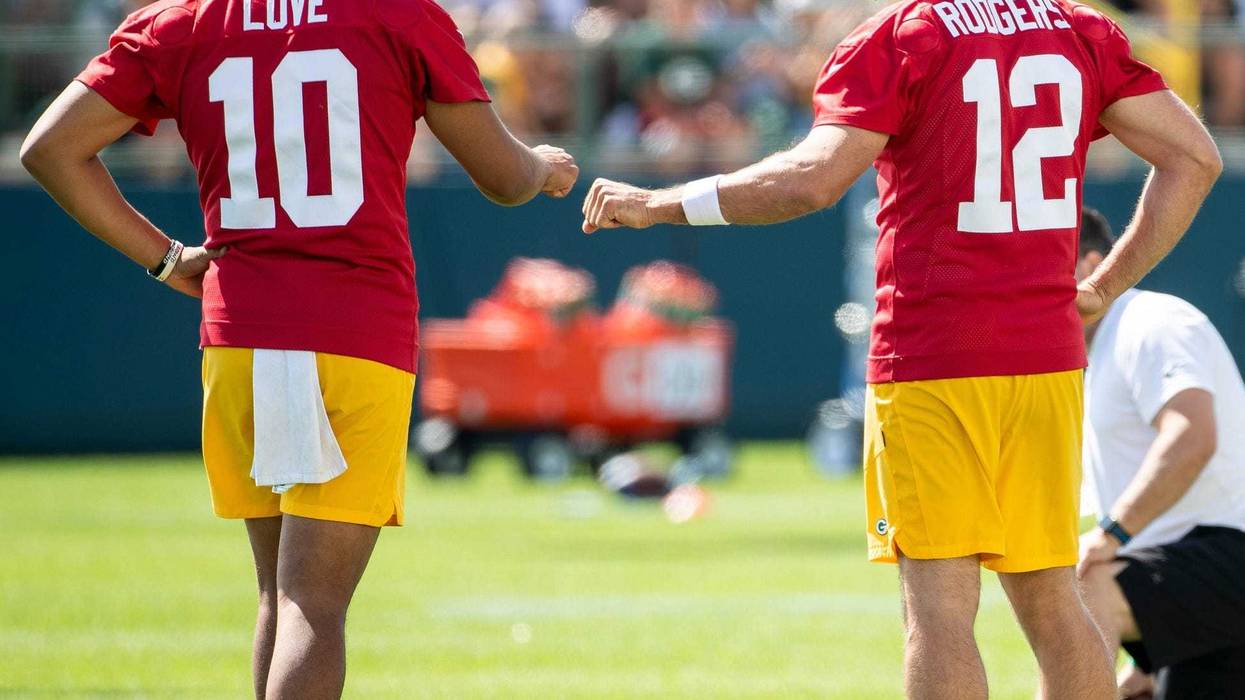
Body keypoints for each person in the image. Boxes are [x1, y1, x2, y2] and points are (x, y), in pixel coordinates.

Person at [580, 0, 1221, 697]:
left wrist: (661, 203)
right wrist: (1103, 284)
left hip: (935, 355)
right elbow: (1193, 156)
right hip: (1046, 356)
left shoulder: (903, 34)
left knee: (939, 613)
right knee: (1050, 598)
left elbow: (810, 181)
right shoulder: (1077, 27)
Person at [20, 1, 578, 698]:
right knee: (312, 604)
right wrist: (545, 166)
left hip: (240, 336)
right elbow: (504, 178)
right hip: (354, 332)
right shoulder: (398, 16)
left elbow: (49, 148)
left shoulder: (181, 22)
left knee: (278, 599)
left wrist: (165, 259)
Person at [1075, 208, 1245, 700]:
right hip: (1198, 585)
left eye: (1041, 263)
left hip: (1225, 556)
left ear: (1090, 266)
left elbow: (1191, 435)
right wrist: (1141, 660)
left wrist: (1107, 538)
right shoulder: (1096, 353)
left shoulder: (1149, 322)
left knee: (1083, 585)